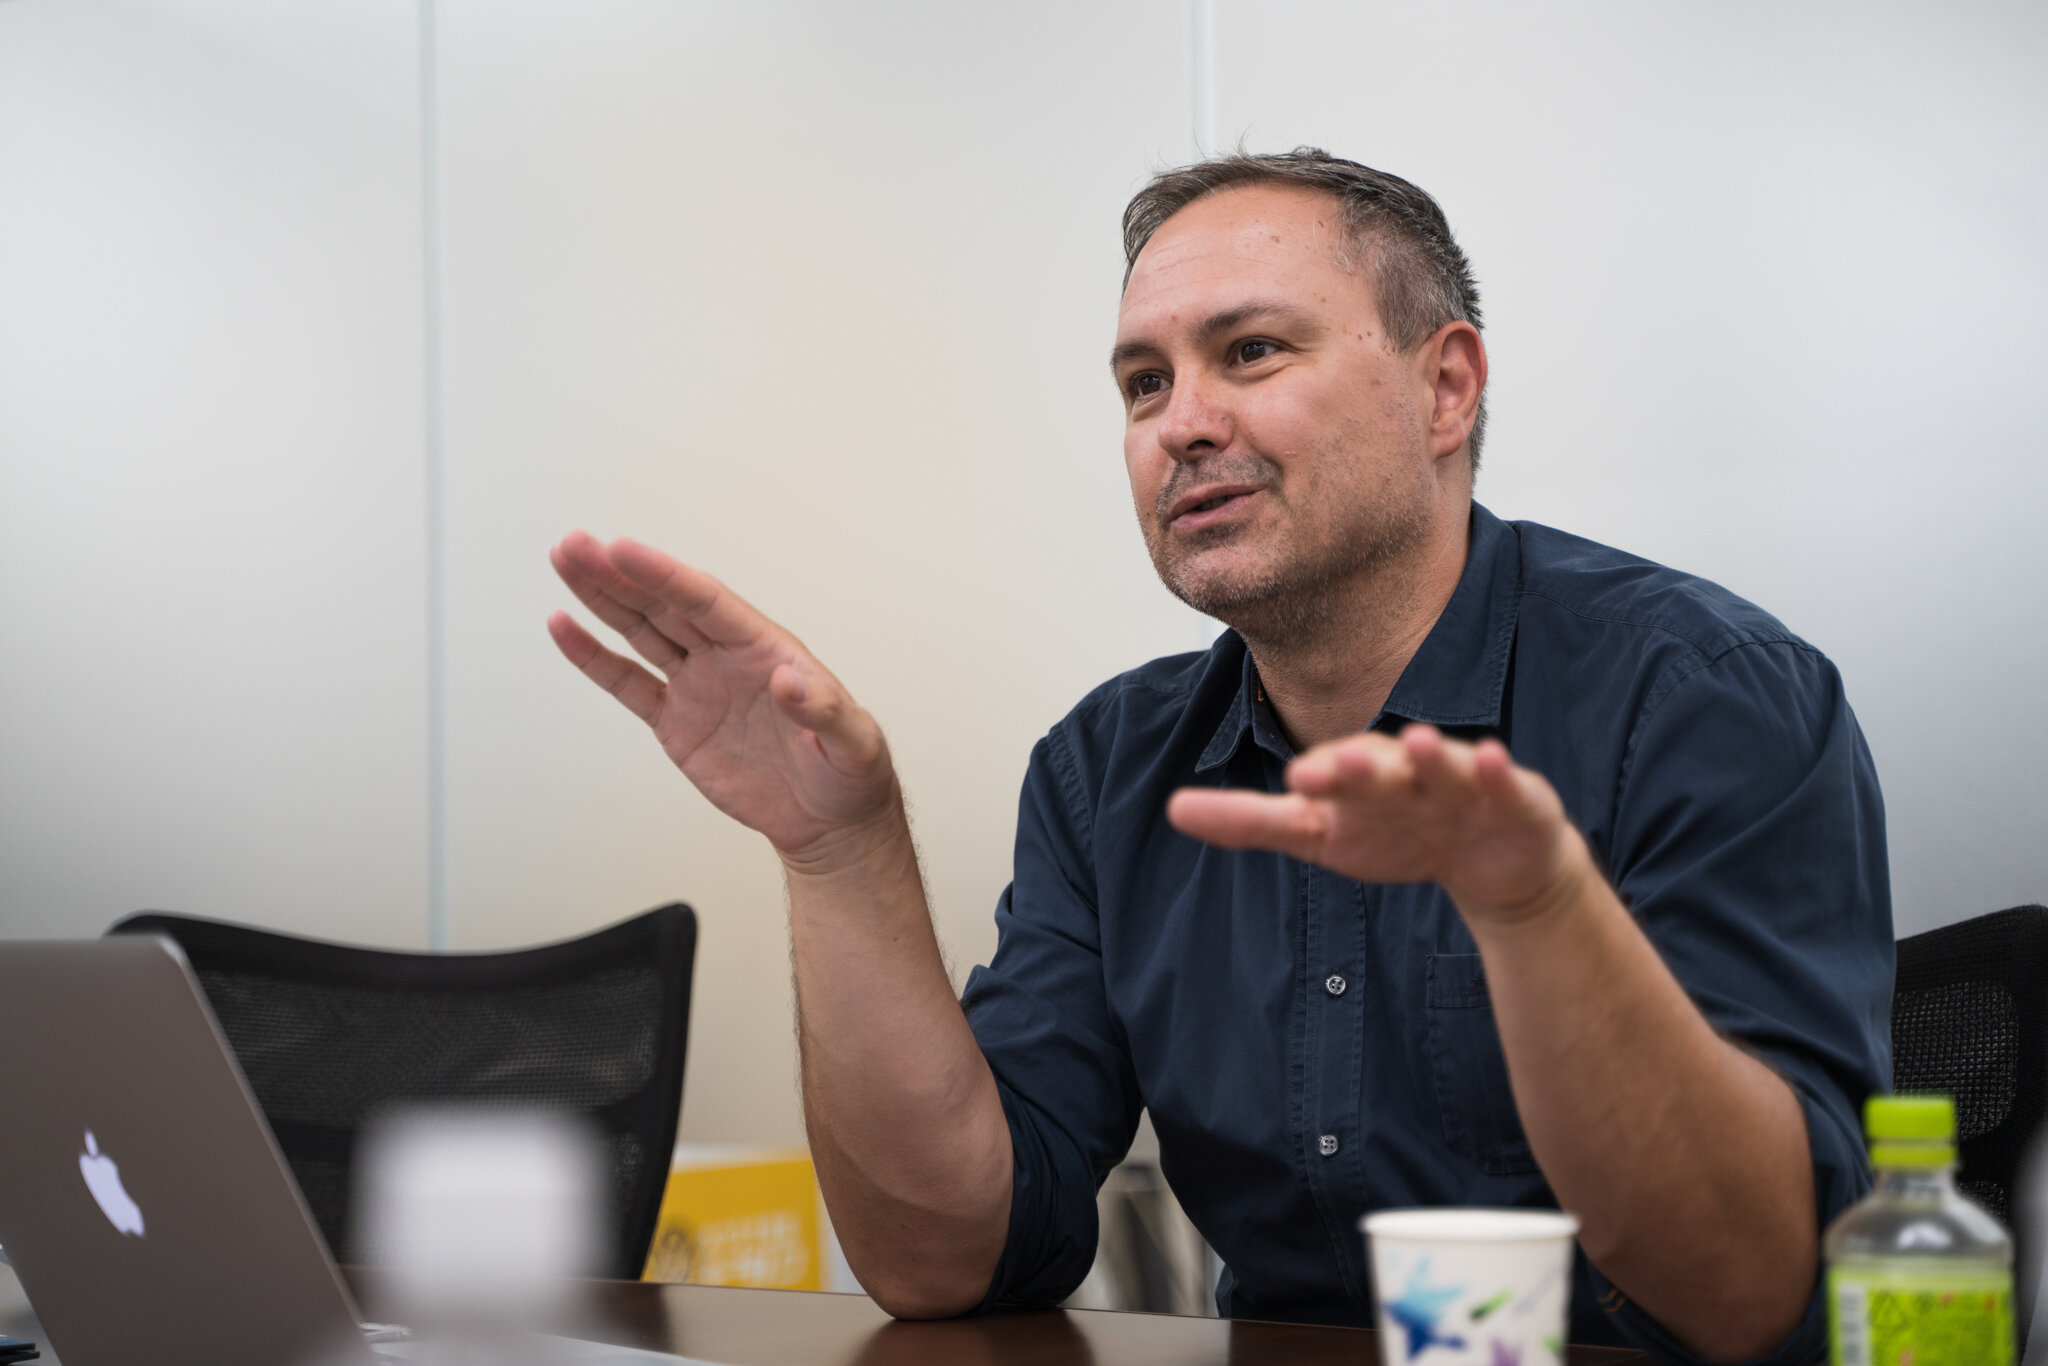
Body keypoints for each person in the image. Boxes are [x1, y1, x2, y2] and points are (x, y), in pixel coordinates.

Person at [547, 148, 1891, 1365]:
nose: (1180, 423)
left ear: (1445, 388)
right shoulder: (1109, 769)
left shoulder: (1702, 697)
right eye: (1144, 382)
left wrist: (1538, 910)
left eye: (1249, 352)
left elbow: (1753, 1292)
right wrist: (840, 848)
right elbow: (945, 1259)